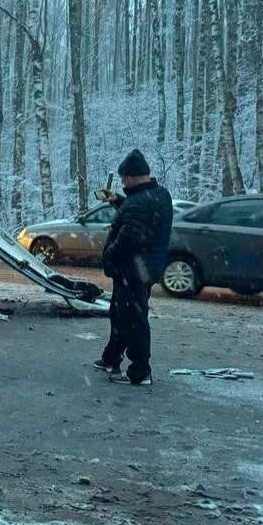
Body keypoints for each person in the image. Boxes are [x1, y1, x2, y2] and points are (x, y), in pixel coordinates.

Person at [95, 149, 173, 386]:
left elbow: (128, 239)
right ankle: (111, 357)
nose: (122, 182)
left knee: (132, 319)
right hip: (144, 269)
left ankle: (140, 371)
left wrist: (108, 254)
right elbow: (139, 212)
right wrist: (117, 201)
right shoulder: (159, 195)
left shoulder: (139, 203)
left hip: (132, 270)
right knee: (120, 314)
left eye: (123, 178)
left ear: (130, 177)